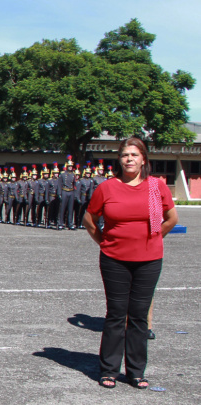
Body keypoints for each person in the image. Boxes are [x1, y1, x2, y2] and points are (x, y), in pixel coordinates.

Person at [83, 137, 178, 389]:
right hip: (114, 259)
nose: (129, 159)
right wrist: (105, 242)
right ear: (120, 159)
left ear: (143, 159)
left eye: (134, 155)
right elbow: (89, 219)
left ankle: (136, 371)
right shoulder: (107, 187)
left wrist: (154, 239)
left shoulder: (156, 186)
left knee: (138, 316)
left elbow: (170, 218)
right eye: (125, 155)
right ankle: (109, 370)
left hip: (149, 260)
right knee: (116, 314)